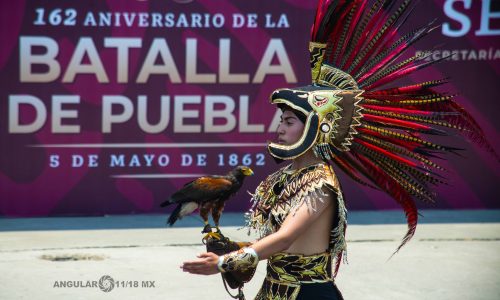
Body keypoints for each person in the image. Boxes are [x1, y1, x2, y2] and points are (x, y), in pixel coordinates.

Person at [181, 0, 495, 299]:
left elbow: (287, 237)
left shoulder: (320, 184)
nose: (279, 127)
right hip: (273, 292)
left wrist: (225, 263)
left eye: (289, 121)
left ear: (317, 129)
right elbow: (279, 248)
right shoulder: (286, 178)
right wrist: (233, 246)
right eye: (281, 119)